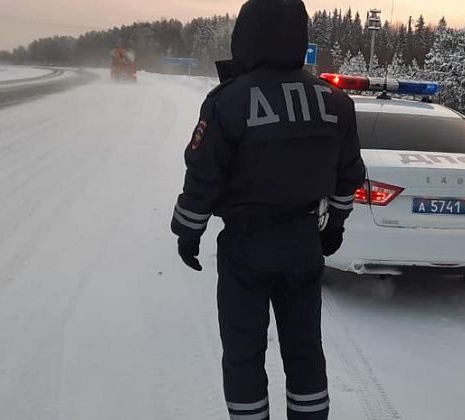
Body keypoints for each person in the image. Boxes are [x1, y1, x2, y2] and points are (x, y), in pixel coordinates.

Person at [169, 0, 365, 418]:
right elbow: (349, 176)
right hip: (303, 241)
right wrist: (335, 228)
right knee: (305, 350)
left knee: (243, 352)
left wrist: (188, 230)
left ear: (246, 36)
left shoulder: (228, 100)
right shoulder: (335, 102)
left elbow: (203, 175)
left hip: (246, 246)